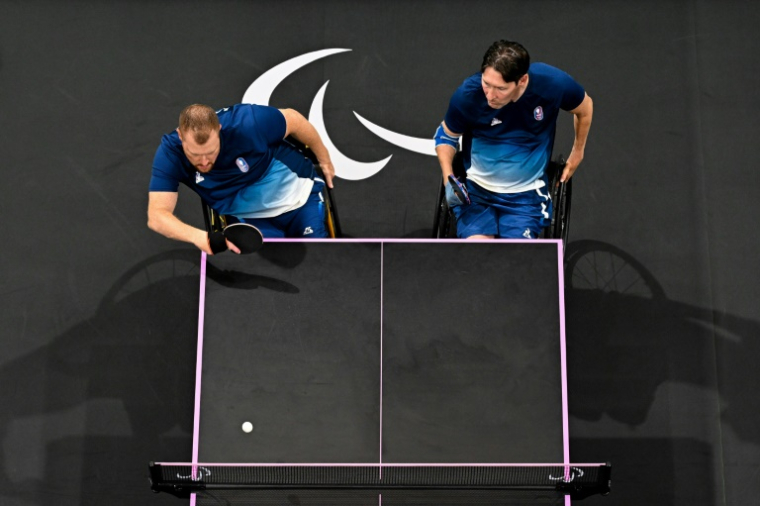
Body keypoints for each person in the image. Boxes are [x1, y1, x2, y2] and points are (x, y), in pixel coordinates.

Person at [434, 40, 593, 239]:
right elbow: (446, 136)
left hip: (525, 197)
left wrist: (578, 151)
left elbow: (585, 108)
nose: (490, 96)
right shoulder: (468, 95)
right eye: (486, 84)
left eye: (501, 88)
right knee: (476, 256)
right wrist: (449, 179)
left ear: (522, 81)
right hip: (476, 193)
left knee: (515, 260)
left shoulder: (552, 84)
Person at [148, 103, 335, 254]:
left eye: (211, 152)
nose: (204, 162)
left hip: (299, 197)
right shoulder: (170, 154)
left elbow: (293, 119)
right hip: (249, 218)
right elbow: (157, 216)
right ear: (181, 136)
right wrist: (199, 237)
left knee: (318, 258)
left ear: (219, 130)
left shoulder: (248, 122)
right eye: (194, 154)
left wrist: (324, 157)